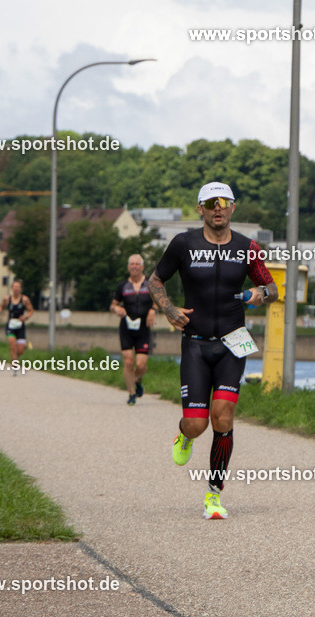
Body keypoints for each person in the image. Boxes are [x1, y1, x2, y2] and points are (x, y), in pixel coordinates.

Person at [148, 181, 278, 519]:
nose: (216, 208)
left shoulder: (247, 247)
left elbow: (272, 288)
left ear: (233, 207)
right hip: (195, 344)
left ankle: (214, 494)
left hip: (233, 344)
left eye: (223, 202)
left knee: (223, 415)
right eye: (210, 203)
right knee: (197, 424)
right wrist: (168, 309)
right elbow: (155, 280)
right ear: (200, 209)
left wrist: (260, 294)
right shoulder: (184, 244)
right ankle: (184, 435)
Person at [111, 254, 156, 405]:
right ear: (128, 267)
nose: (134, 266)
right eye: (132, 264)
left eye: (137, 264)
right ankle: (131, 394)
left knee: (141, 364)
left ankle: (138, 380)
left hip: (143, 328)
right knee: (128, 361)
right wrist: (117, 308)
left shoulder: (150, 284)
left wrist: (153, 310)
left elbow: (159, 300)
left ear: (142, 267)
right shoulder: (123, 286)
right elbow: (113, 304)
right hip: (126, 328)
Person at [0, 280, 34, 375]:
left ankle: (21, 350)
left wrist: (26, 317)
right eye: (14, 287)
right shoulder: (7, 299)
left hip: (20, 326)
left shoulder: (25, 300)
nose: (16, 289)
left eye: (17, 287)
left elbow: (31, 310)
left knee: (20, 351)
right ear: (12, 288)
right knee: (13, 346)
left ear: (21, 289)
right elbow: (2, 306)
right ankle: (15, 367)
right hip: (10, 326)